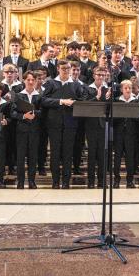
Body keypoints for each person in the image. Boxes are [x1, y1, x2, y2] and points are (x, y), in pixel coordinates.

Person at [41, 60, 87, 189]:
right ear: (58, 69)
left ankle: (66, 181)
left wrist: (74, 103)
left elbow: (83, 99)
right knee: (55, 153)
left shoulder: (76, 85)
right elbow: (43, 100)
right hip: (54, 123)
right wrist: (61, 101)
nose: (66, 71)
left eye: (68, 68)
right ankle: (55, 181)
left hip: (70, 123)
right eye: (63, 68)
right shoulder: (51, 83)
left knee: (68, 153)